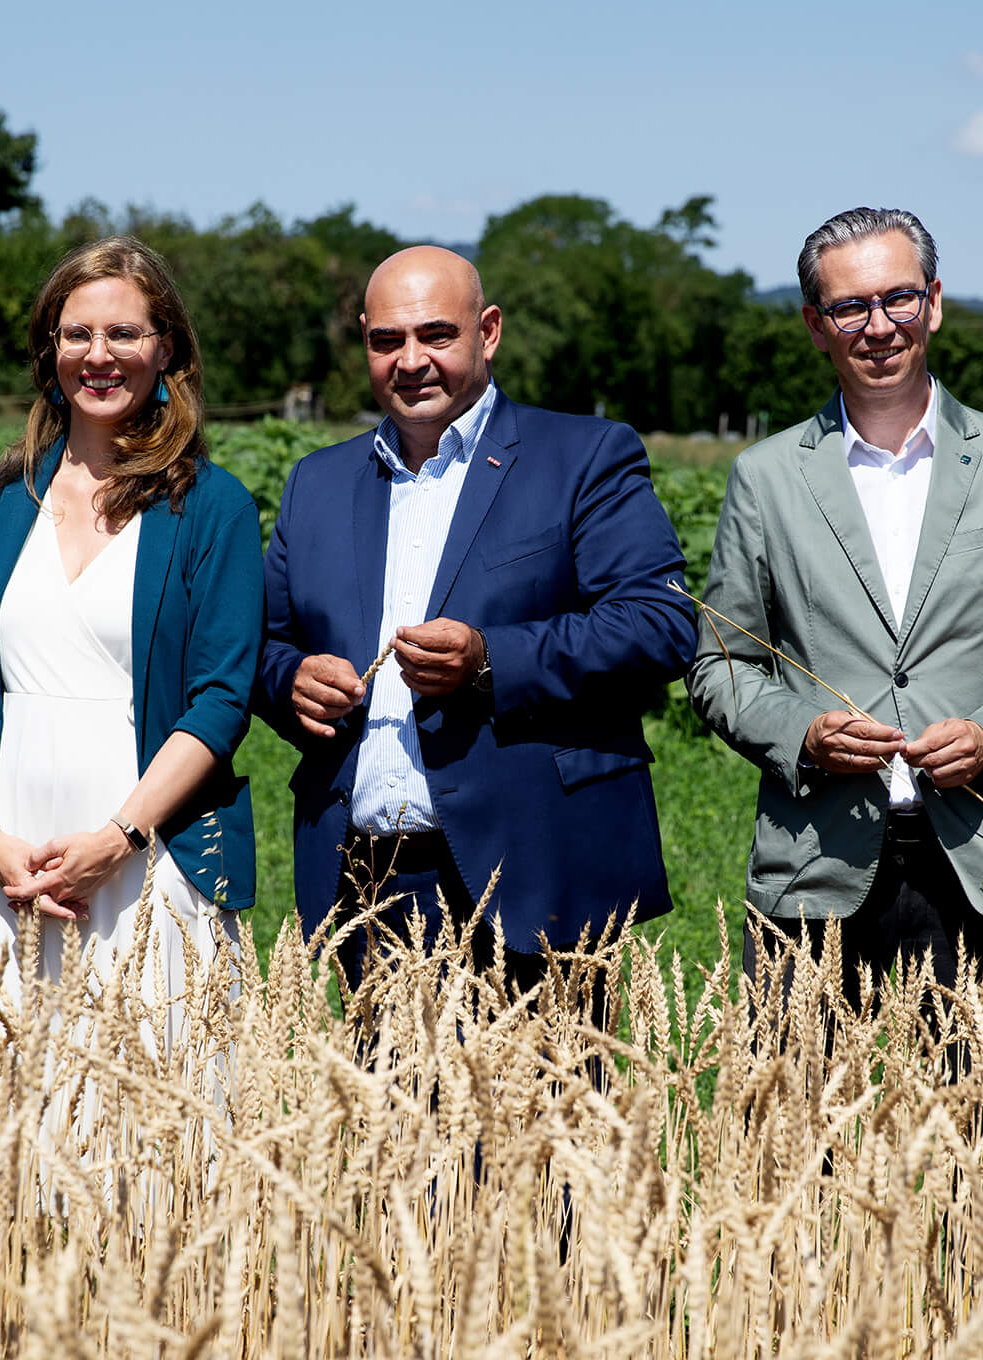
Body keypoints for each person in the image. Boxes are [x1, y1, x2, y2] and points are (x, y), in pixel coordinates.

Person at [687, 207, 983, 1025]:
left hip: (982, 862)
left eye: (899, 299)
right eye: (851, 307)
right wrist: (800, 733)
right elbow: (720, 663)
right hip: (811, 865)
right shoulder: (766, 475)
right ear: (817, 326)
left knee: (981, 1141)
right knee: (793, 1138)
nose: (879, 326)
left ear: (936, 302)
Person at [255, 246, 695, 998]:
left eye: (436, 334)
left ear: (487, 331)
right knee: (389, 1118)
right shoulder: (317, 483)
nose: (410, 360)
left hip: (537, 881)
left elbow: (659, 622)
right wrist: (291, 679)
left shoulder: (583, 455)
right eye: (386, 340)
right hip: (370, 890)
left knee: (546, 1117)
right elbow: (262, 644)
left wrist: (491, 659)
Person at [0, 236, 260, 1054]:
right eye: (77, 334)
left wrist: (117, 839)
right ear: (51, 347)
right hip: (10, 860)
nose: (98, 355)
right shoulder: (2, 500)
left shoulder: (212, 507)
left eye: (124, 334)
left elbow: (220, 700)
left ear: (166, 346)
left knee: (147, 1128)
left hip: (147, 857)